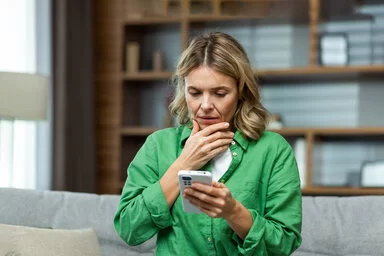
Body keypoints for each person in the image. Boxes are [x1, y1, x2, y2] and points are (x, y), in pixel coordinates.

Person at [114, 32, 302, 255]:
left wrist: (234, 212)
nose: (205, 105)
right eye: (194, 92)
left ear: (241, 92)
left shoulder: (273, 150)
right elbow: (129, 229)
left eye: (220, 93)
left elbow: (284, 243)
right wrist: (183, 164)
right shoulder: (158, 146)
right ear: (183, 90)